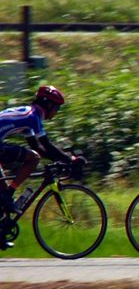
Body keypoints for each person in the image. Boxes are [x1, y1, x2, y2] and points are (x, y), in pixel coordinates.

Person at [0, 86, 84, 215]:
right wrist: (70, 159)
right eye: (57, 108)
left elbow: (36, 147)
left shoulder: (28, 114)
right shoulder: (33, 117)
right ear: (49, 105)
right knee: (33, 158)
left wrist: (58, 159)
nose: (57, 112)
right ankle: (9, 193)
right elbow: (46, 144)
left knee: (3, 198)